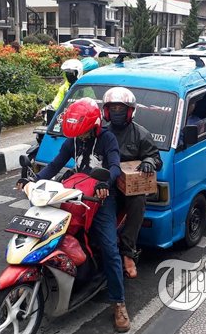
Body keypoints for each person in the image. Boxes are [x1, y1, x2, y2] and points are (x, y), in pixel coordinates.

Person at [16, 98, 130, 332]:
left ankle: (118, 302)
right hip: (75, 193)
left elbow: (116, 166)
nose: (80, 135)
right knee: (48, 231)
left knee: (109, 249)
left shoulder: (107, 138)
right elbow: (55, 165)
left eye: (83, 130)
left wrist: (105, 182)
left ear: (94, 124)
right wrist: (33, 180)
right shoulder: (74, 140)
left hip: (100, 197)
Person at [103, 87, 162, 279]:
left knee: (138, 202)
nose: (116, 112)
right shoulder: (101, 133)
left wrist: (148, 162)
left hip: (129, 190)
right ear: (106, 111)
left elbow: (156, 159)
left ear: (130, 111)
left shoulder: (141, 134)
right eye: (113, 108)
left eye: (121, 108)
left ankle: (128, 252)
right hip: (106, 185)